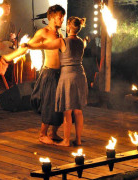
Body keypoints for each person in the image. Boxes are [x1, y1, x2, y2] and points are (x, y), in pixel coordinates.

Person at [3, 4, 66, 145]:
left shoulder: (60, 33)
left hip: (60, 73)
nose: (62, 19)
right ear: (52, 17)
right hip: (49, 73)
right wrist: (8, 57)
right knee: (50, 104)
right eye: (59, 17)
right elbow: (26, 47)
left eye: (62, 16)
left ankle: (53, 132)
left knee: (61, 104)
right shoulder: (43, 33)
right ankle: (42, 134)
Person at [21, 16, 89, 146]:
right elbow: (85, 44)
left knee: (67, 110)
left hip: (68, 75)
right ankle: (78, 140)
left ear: (69, 27)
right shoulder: (81, 42)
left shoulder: (63, 41)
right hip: (80, 75)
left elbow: (45, 44)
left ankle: (66, 140)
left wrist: (28, 45)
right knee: (78, 110)